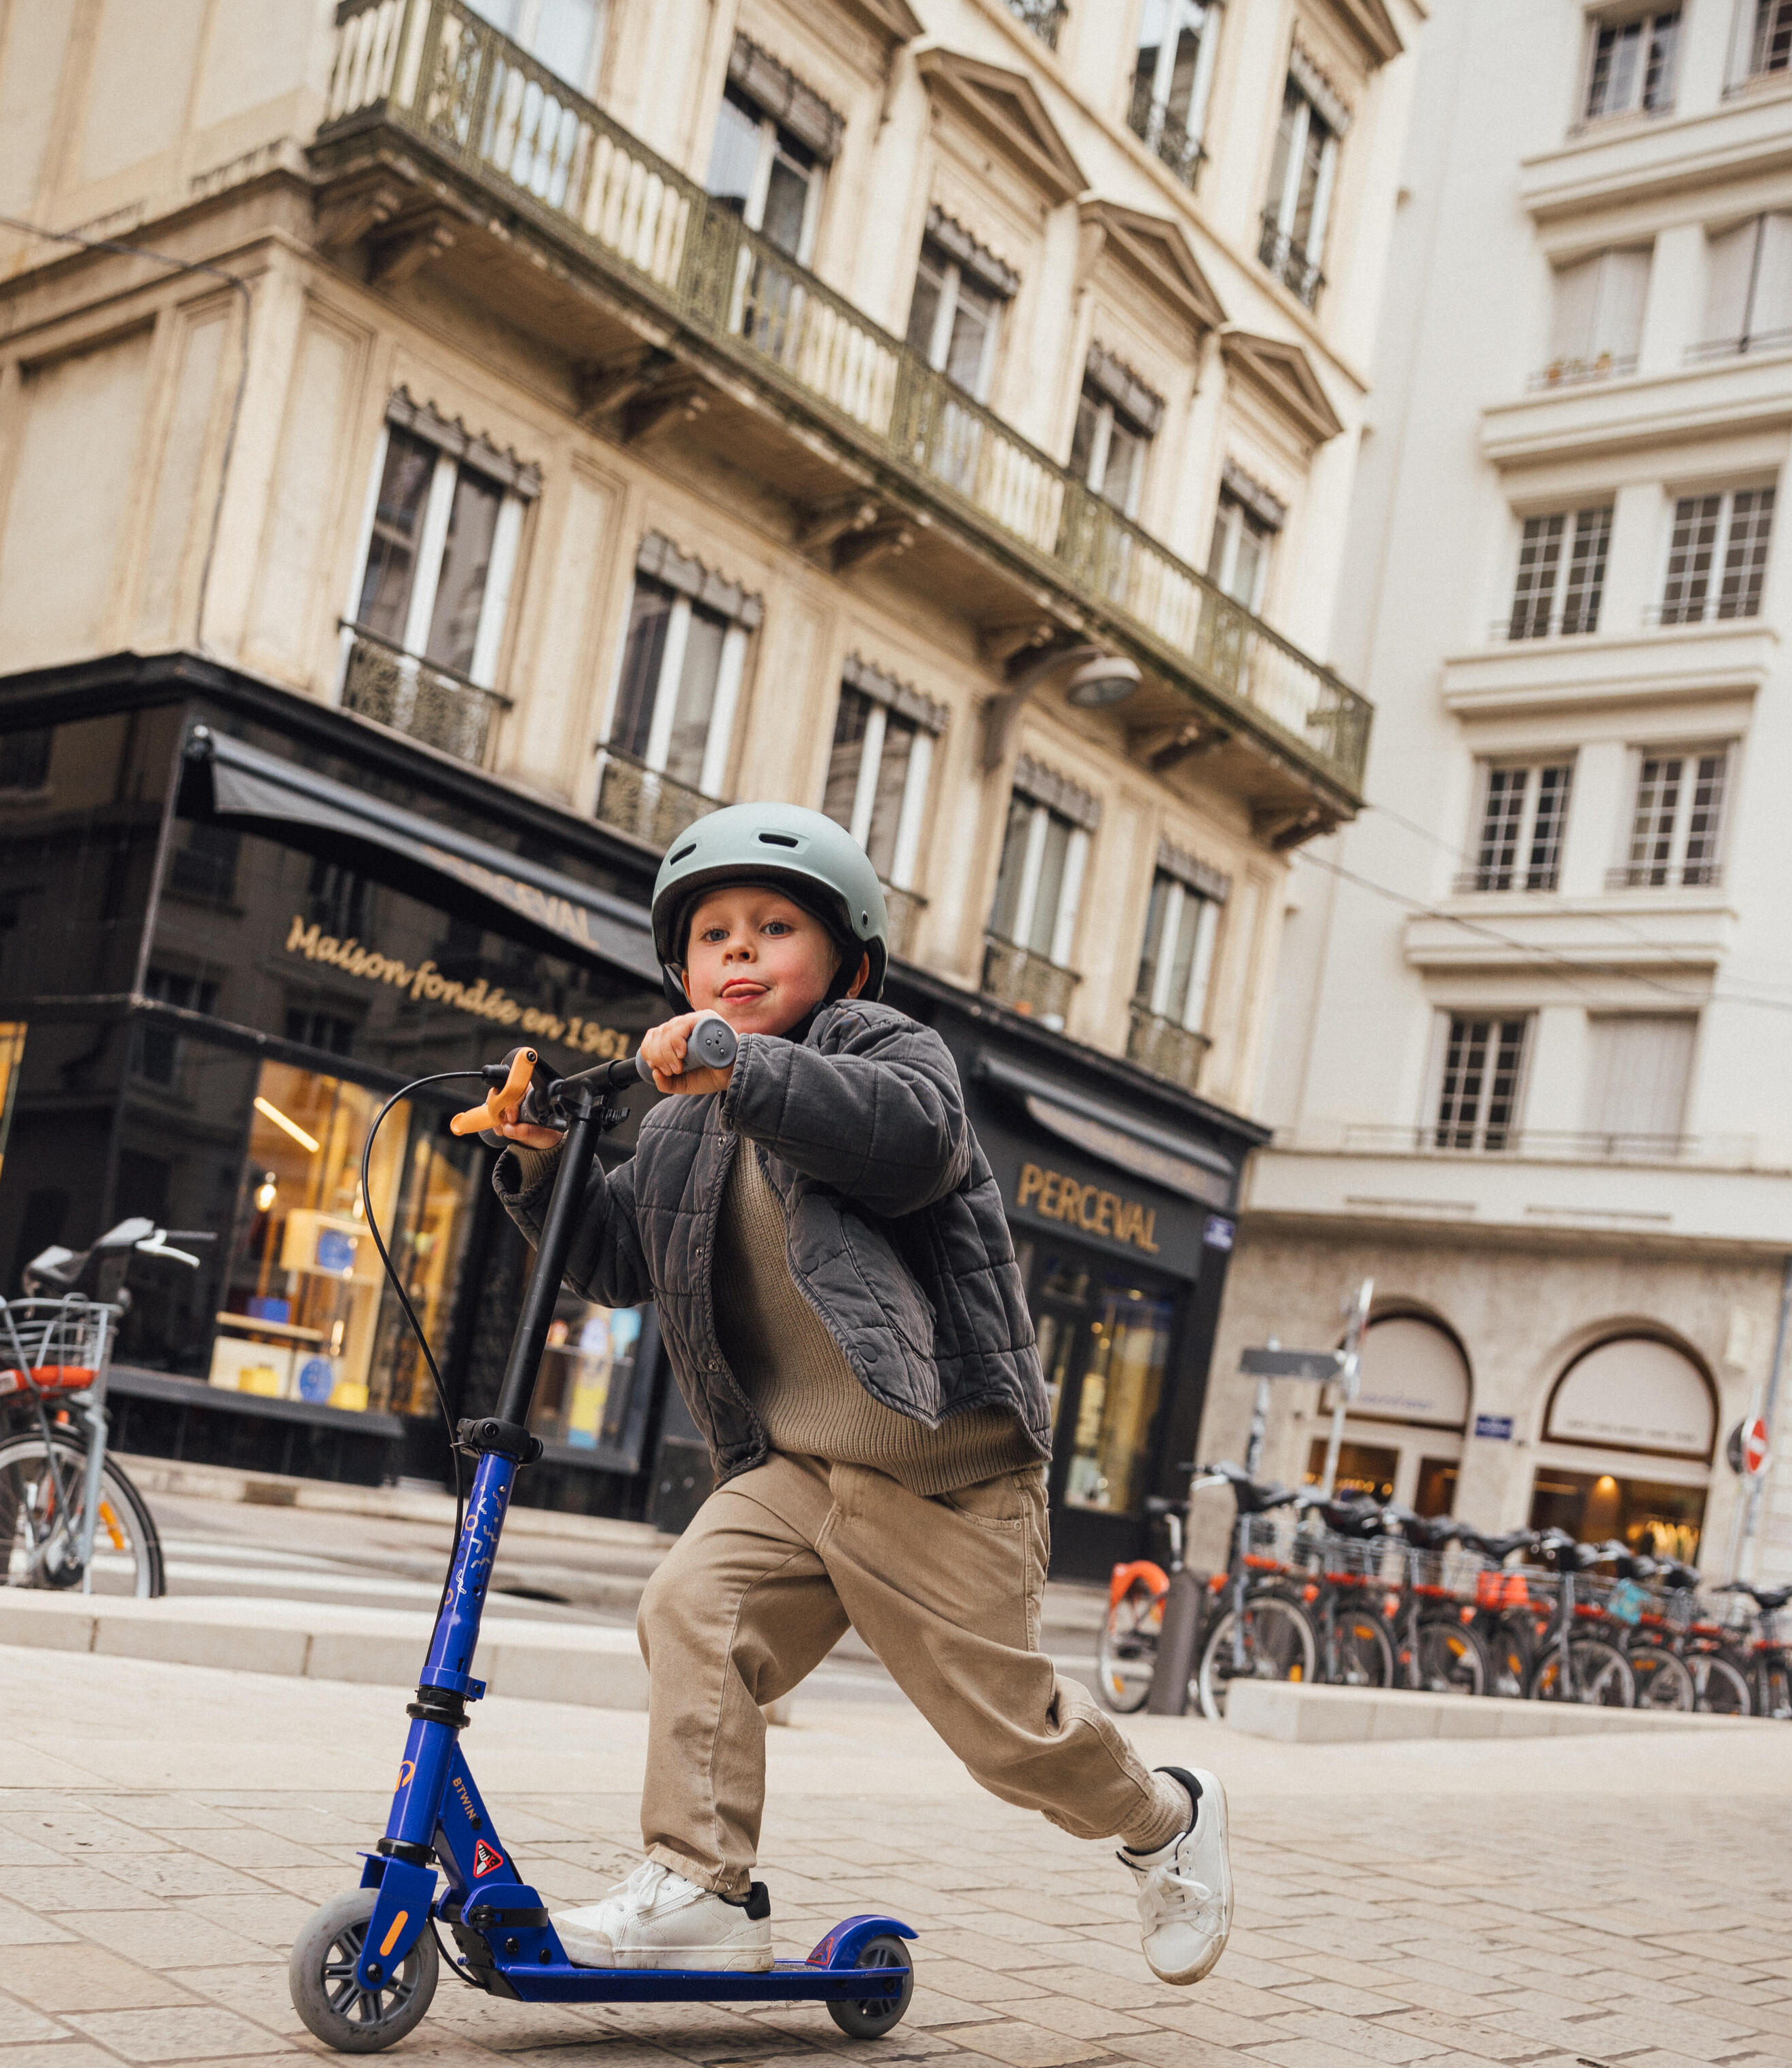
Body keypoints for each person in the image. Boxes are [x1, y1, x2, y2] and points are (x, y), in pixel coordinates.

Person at [451, 801, 1231, 1985]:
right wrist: (541, 1166)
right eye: (714, 935)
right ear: (681, 965)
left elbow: (904, 1142)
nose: (741, 954)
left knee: (1012, 1741)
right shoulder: (673, 1130)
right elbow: (618, 1263)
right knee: (690, 1608)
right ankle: (701, 1886)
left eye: (774, 929)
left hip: (946, 1476)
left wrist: (744, 1066)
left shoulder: (889, 1057)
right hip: (796, 1472)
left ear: (845, 961)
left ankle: (1165, 1820)